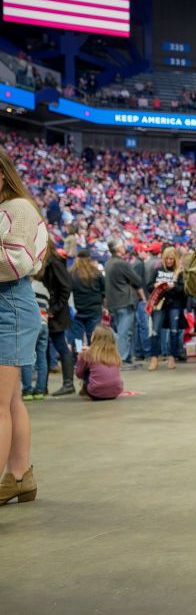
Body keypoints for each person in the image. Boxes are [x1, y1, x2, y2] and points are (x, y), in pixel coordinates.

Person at [0, 146, 48, 505]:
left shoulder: (17, 209)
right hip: (10, 303)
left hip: (10, 303)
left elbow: (17, 262)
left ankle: (17, 475)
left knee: (2, 402)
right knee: (10, 399)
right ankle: (19, 476)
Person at [40, 241, 76, 396]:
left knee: (60, 346)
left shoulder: (54, 262)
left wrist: (54, 309)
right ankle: (44, 386)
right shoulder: (52, 261)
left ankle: (68, 384)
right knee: (49, 349)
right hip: (52, 311)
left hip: (55, 313)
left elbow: (65, 287)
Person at [105, 238, 145, 368]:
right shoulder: (122, 263)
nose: (124, 248)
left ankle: (126, 358)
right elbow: (137, 280)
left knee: (123, 331)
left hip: (114, 302)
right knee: (124, 332)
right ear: (118, 249)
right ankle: (120, 360)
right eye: (122, 246)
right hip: (124, 301)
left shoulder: (109, 263)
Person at [147, 246, 186, 371]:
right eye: (167, 259)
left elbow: (183, 289)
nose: (169, 261)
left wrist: (173, 286)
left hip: (174, 304)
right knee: (155, 331)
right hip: (159, 304)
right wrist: (156, 285)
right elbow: (148, 286)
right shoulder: (157, 269)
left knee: (174, 331)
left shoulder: (179, 272)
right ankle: (154, 358)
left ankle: (172, 357)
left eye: (171, 259)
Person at [75, 326, 124, 401]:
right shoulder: (115, 354)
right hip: (115, 392)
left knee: (87, 369)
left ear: (94, 337)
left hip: (95, 393)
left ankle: (86, 389)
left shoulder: (87, 354)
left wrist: (80, 357)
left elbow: (79, 374)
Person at [69, 250, 105, 348]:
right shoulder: (96, 273)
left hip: (77, 311)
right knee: (93, 336)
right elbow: (104, 291)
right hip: (94, 310)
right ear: (89, 259)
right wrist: (104, 306)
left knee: (77, 337)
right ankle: (93, 358)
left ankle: (79, 356)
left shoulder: (71, 273)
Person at [21, 274, 49, 400]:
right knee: (42, 358)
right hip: (44, 325)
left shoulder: (28, 287)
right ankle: (40, 390)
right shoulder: (45, 290)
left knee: (27, 358)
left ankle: (27, 390)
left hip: (30, 326)